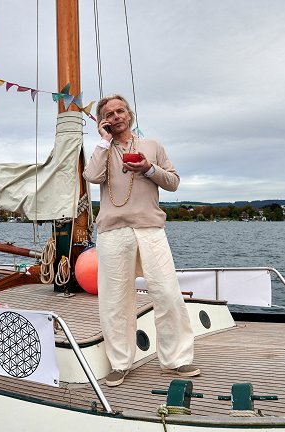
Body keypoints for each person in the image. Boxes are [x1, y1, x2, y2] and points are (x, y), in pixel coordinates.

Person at [82, 94, 199, 387]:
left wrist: (148, 168)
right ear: (103, 120)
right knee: (115, 301)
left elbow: (173, 182)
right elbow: (91, 176)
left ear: (130, 114)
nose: (116, 116)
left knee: (168, 293)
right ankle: (120, 363)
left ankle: (177, 360)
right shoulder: (102, 149)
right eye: (109, 113)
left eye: (120, 110)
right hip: (112, 231)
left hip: (149, 228)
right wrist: (102, 141)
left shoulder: (152, 146)